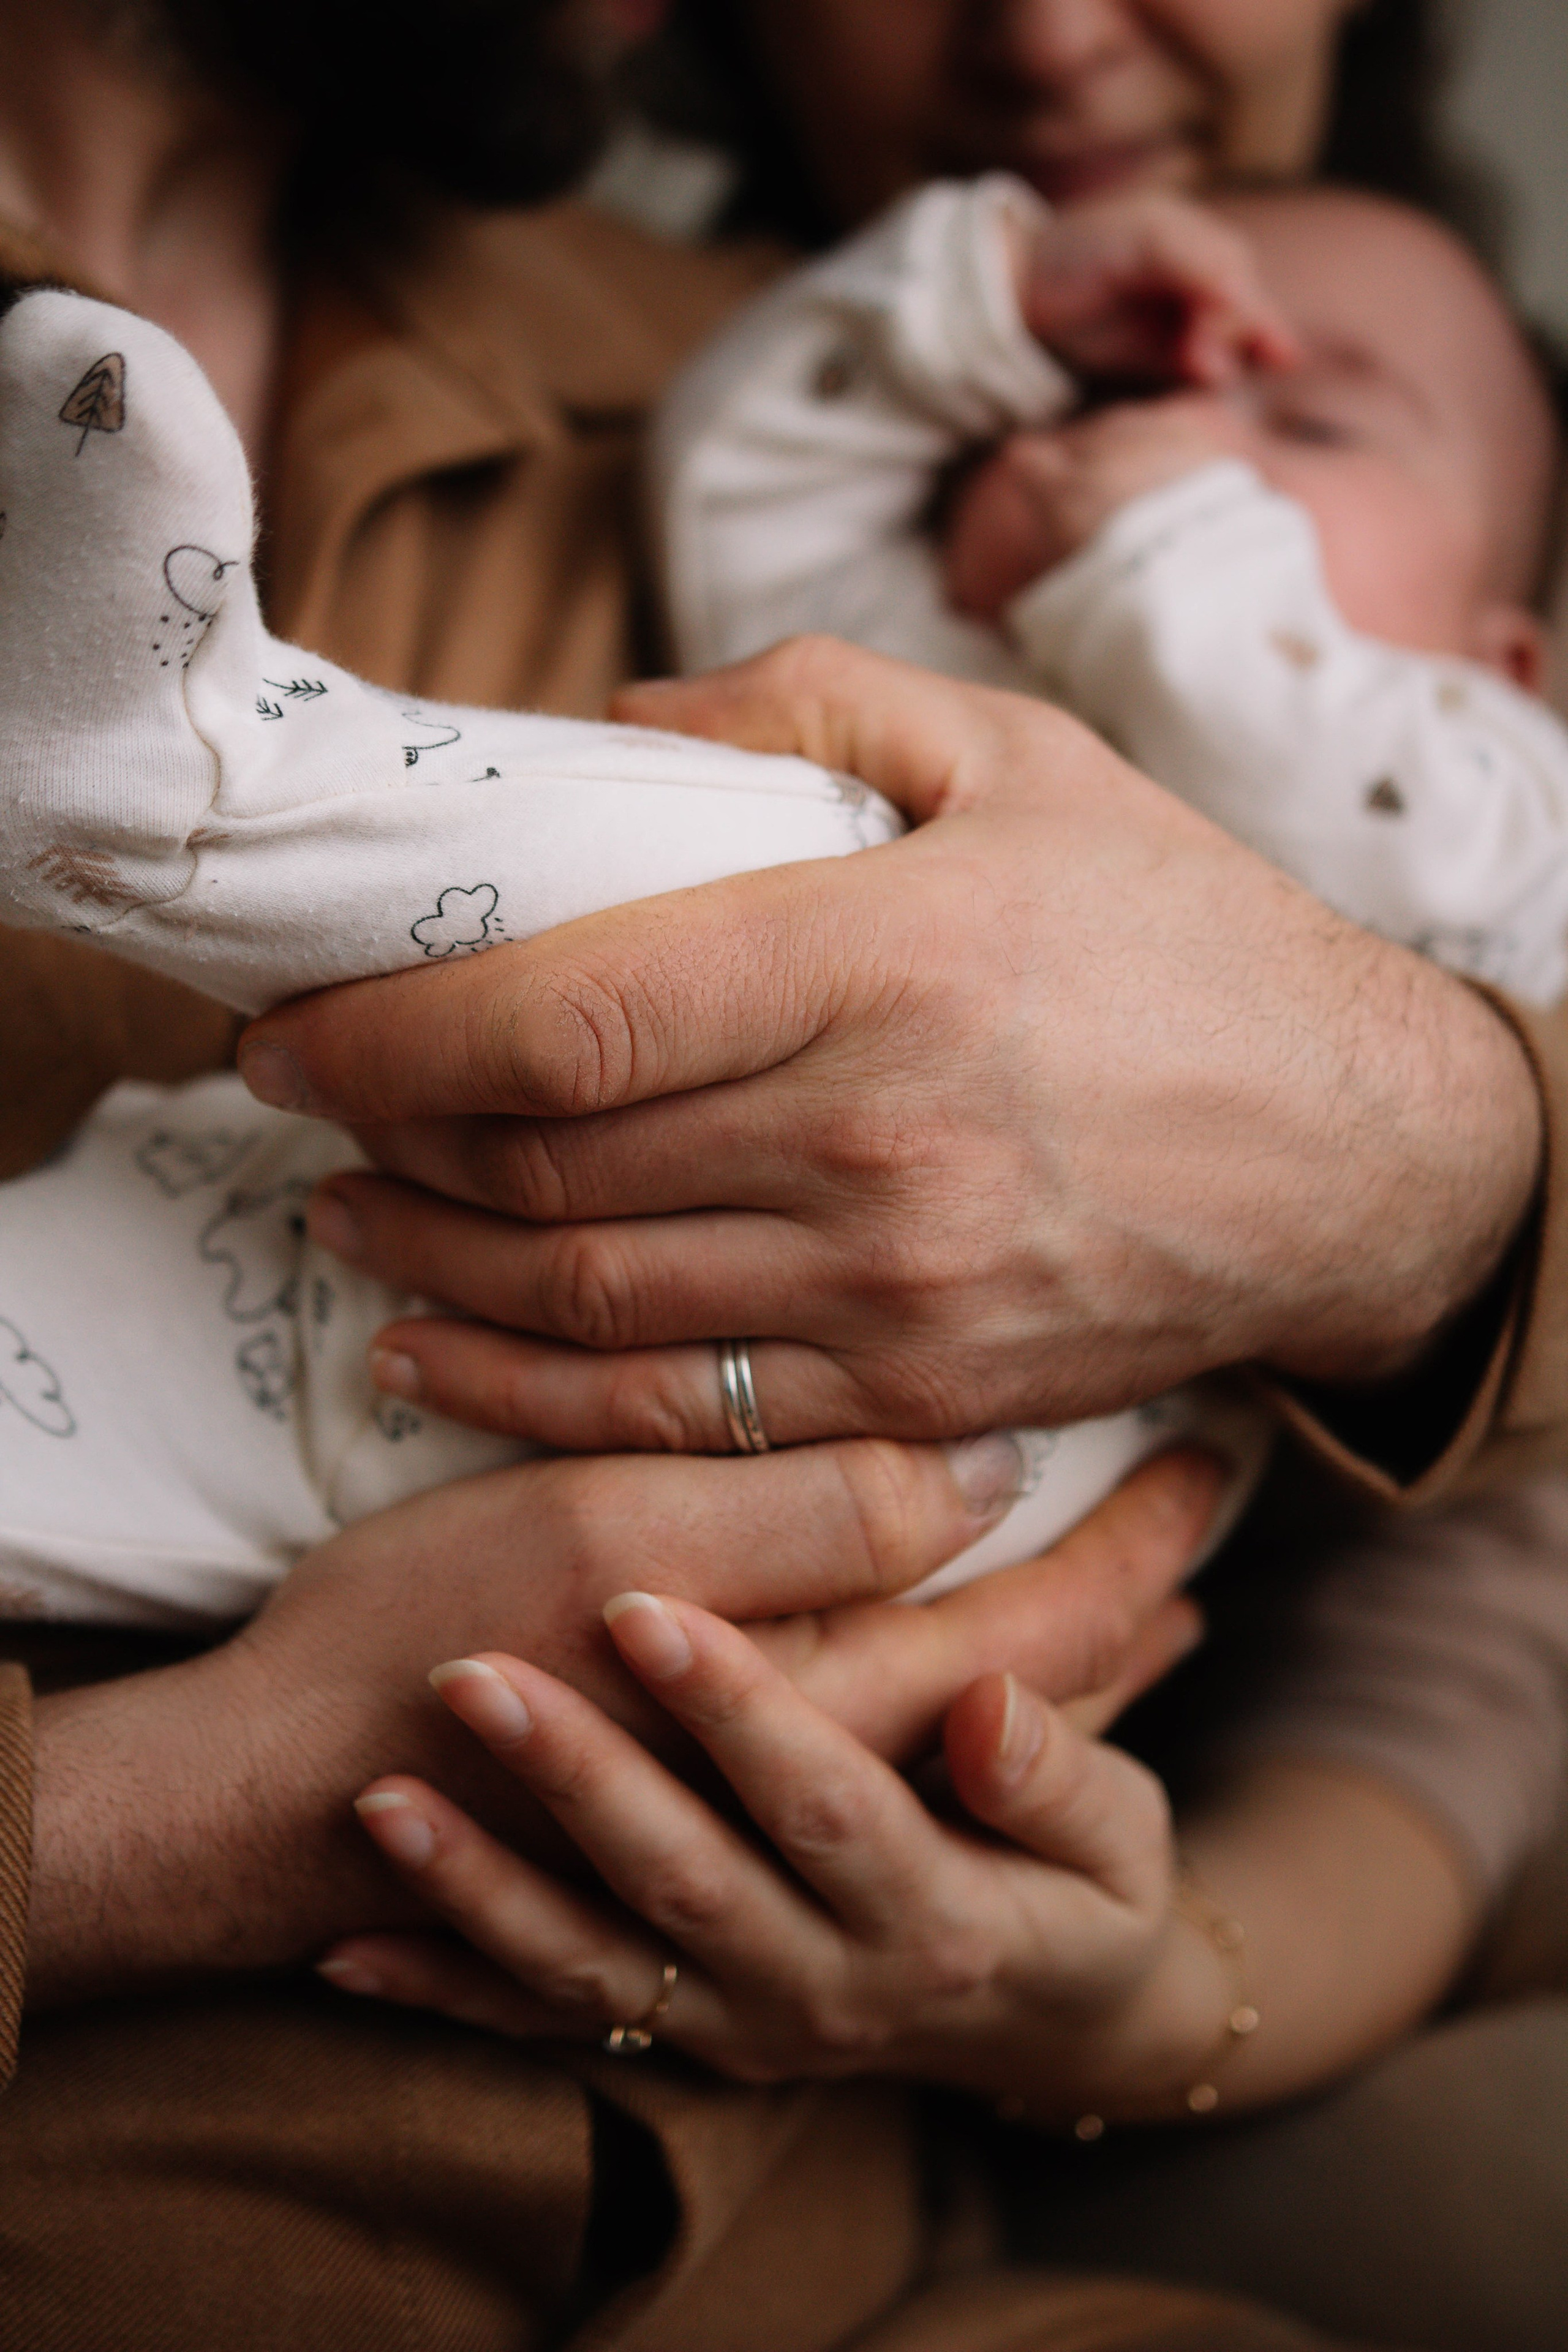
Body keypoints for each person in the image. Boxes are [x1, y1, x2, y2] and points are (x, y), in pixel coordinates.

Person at [0, 6, 1557, 2351]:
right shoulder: (886, 447)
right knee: (788, 823)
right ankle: (188, 790)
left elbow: (1477, 1629)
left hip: (879, 2102)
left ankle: (195, 787)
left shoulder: (1469, 760)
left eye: (1310, 420)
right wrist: (153, 1818)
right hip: (346, 1386)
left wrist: (1434, 1139)